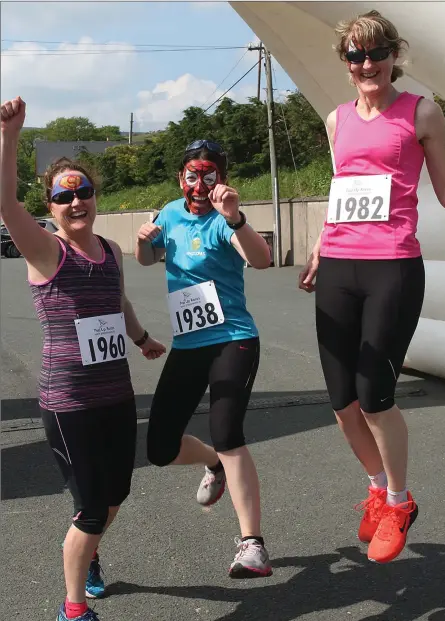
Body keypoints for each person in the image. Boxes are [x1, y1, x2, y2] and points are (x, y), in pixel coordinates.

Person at [299, 10, 445, 564]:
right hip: (339, 267)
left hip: (392, 267)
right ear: (347, 63)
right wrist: (318, 247)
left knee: (375, 396)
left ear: (394, 55)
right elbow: (343, 192)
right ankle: (377, 488)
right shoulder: (335, 120)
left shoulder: (420, 112)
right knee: (341, 403)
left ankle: (400, 502)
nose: (367, 63)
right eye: (356, 56)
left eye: (377, 52)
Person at [1, 96, 166, 621]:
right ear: (50, 206)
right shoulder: (48, 251)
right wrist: (10, 138)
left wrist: (141, 339)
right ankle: (73, 609)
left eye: (84, 193)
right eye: (63, 197)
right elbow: (6, 206)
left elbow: (116, 303)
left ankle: (88, 557)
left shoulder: (111, 252)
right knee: (91, 507)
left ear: (96, 196)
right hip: (69, 402)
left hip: (116, 395)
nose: (77, 204)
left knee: (115, 494)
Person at [135, 139, 273, 578]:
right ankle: (213, 462)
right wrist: (143, 240)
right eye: (191, 176)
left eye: (208, 176)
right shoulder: (169, 212)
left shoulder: (226, 218)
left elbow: (264, 260)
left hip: (234, 339)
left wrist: (236, 218)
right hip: (189, 344)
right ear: (181, 179)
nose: (199, 185)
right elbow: (147, 260)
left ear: (221, 180)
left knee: (228, 430)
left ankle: (252, 544)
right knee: (158, 448)